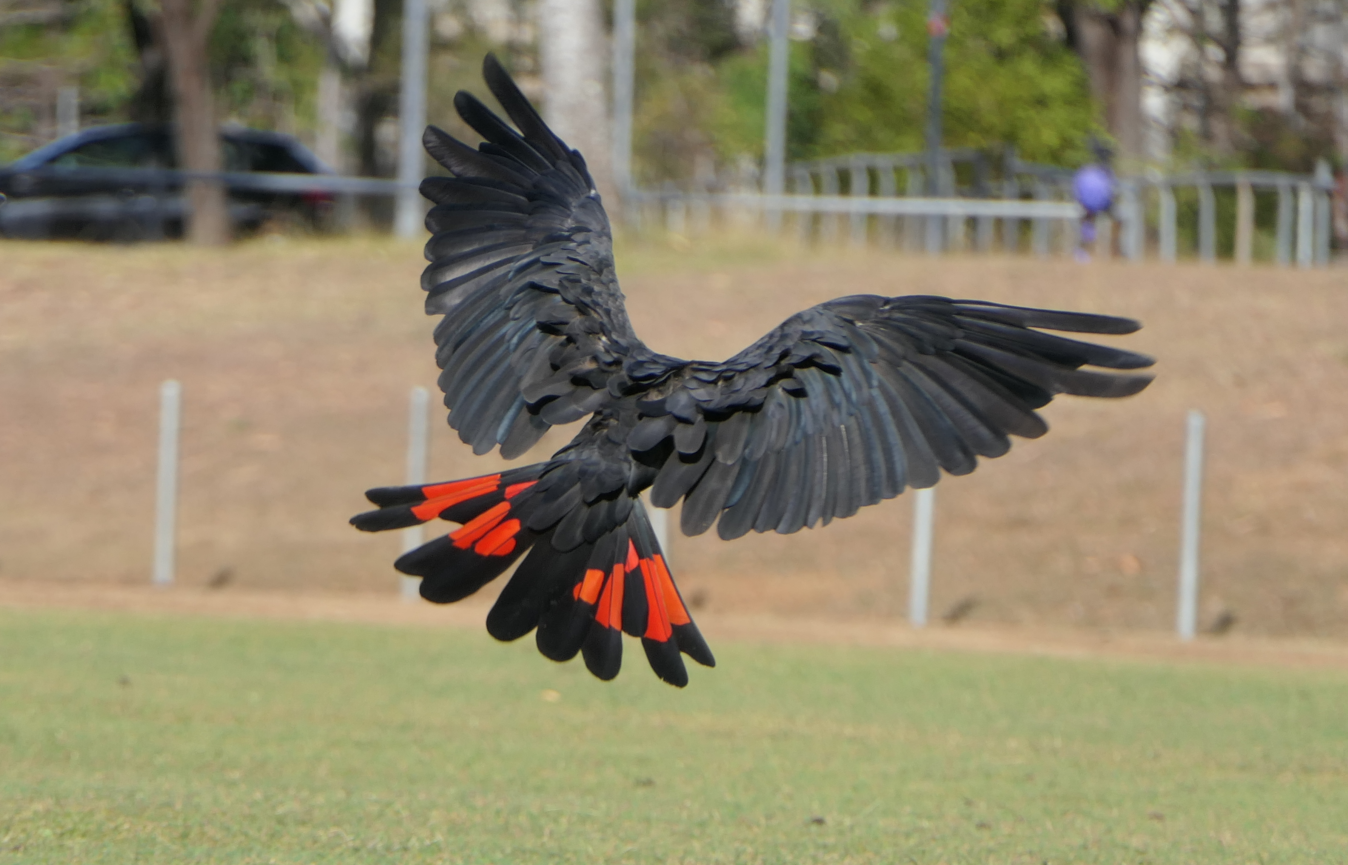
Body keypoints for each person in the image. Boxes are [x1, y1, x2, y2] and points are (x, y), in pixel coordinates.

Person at [1073, 146, 1115, 262]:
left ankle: (1082, 252)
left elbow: (1077, 188)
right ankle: (1117, 251)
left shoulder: (1086, 171)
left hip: (1086, 205)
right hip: (1096, 205)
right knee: (1115, 219)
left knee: (1088, 223)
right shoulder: (1106, 172)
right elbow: (1110, 191)